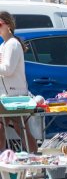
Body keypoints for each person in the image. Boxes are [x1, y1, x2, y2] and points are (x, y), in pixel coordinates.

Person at [0, 11, 36, 150]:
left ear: (8, 25)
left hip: (14, 96)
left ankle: (34, 157)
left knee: (21, 128)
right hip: (6, 95)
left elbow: (7, 69)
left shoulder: (12, 44)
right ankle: (3, 161)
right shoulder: (4, 45)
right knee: (13, 128)